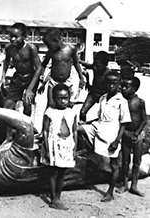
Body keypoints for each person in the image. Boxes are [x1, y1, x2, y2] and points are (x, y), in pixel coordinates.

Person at [77, 71, 131, 202]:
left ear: (119, 85)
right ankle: (83, 171)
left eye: (114, 83)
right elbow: (100, 116)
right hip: (98, 126)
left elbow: (124, 123)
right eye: (108, 83)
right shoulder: (103, 98)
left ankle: (110, 191)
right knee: (77, 129)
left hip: (111, 132)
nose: (110, 86)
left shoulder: (121, 101)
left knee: (114, 163)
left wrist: (117, 140)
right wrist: (88, 123)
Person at [41, 83, 77, 210]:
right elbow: (45, 131)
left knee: (62, 172)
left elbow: (75, 131)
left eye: (65, 98)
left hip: (67, 146)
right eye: (59, 98)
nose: (63, 101)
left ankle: (58, 196)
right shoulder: (50, 112)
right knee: (53, 172)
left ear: (69, 97)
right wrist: (46, 148)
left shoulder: (72, 112)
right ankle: (53, 198)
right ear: (54, 98)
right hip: (53, 146)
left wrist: (74, 148)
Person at [0, 22, 42, 116]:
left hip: (30, 78)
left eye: (16, 36)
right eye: (11, 36)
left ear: (24, 36)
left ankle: (25, 127)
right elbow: (6, 61)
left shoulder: (31, 48)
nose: (13, 39)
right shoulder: (9, 48)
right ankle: (9, 130)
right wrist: (3, 77)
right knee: (8, 105)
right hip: (18, 78)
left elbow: (39, 68)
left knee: (27, 103)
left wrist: (30, 89)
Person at [38, 28, 84, 108]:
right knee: (51, 105)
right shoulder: (50, 52)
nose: (48, 47)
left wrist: (81, 77)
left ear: (57, 41)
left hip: (67, 82)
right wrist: (42, 77)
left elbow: (76, 63)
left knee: (65, 105)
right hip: (53, 82)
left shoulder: (71, 49)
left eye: (49, 45)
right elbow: (43, 65)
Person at [117, 77, 147, 196]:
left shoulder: (140, 102)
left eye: (126, 87)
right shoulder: (121, 101)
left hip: (137, 135)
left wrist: (137, 133)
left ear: (134, 89)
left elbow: (144, 119)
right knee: (125, 161)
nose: (123, 89)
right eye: (122, 86)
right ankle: (124, 184)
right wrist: (125, 133)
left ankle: (134, 186)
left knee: (136, 161)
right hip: (125, 134)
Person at [79, 51, 111, 122]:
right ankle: (82, 125)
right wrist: (78, 61)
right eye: (94, 64)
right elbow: (87, 65)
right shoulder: (95, 67)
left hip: (104, 95)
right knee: (83, 112)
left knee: (104, 115)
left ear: (105, 64)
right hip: (93, 94)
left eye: (98, 65)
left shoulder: (109, 74)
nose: (95, 67)